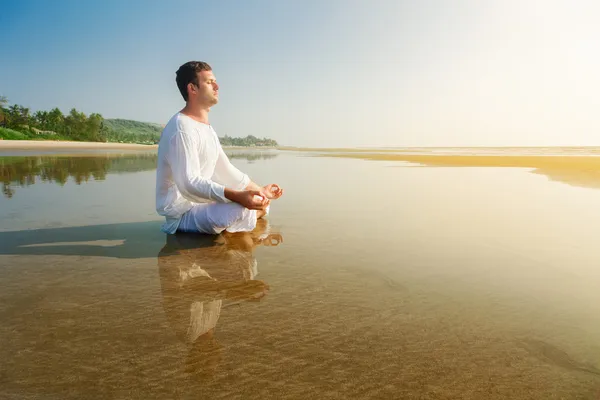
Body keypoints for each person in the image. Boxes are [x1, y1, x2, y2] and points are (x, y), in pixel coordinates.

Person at [156, 61, 283, 234]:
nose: (217, 86)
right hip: (182, 213)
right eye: (209, 82)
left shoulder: (206, 127)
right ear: (192, 89)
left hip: (201, 204)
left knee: (259, 202)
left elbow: (225, 170)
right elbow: (189, 183)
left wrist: (259, 189)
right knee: (242, 209)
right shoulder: (181, 128)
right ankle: (236, 219)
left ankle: (242, 214)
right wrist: (238, 196)